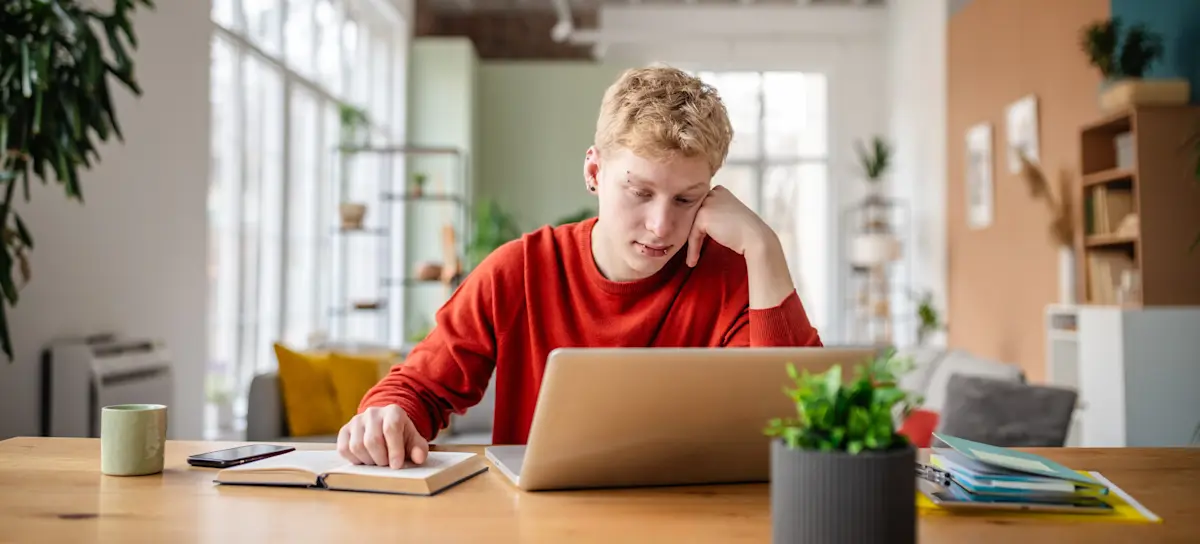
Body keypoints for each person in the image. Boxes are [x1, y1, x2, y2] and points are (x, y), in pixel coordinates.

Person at [337, 65, 823, 469]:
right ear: (594, 172)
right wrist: (388, 414)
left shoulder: (733, 278)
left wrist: (764, 247)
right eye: (640, 192)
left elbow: (803, 426)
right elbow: (419, 387)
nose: (660, 225)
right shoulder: (520, 269)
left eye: (686, 199)